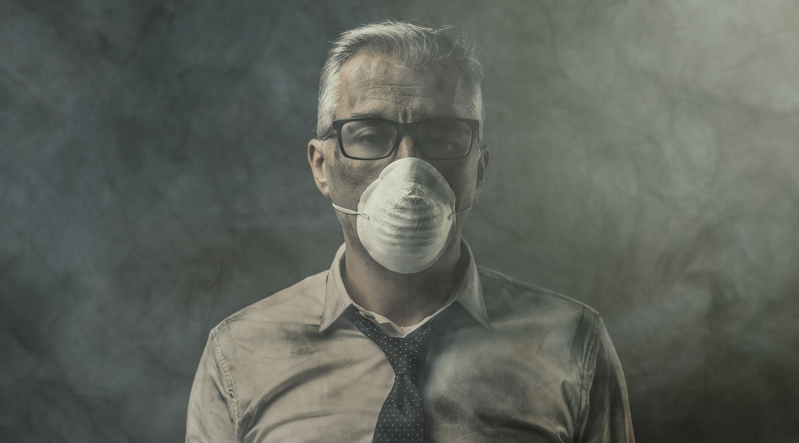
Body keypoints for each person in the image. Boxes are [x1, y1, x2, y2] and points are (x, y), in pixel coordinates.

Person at [186, 20, 635, 443]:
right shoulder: (241, 355)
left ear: (477, 169)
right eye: (369, 135)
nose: (407, 168)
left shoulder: (572, 344)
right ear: (322, 166)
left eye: (439, 137)